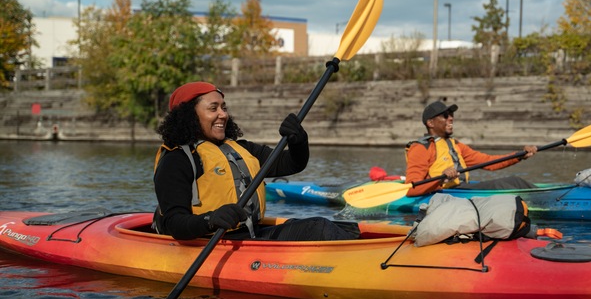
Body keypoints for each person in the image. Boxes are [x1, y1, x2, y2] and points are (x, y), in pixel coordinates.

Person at [153, 81, 357, 241]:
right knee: (318, 228)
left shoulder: (241, 149)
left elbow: (292, 163)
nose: (223, 114)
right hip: (210, 241)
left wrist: (299, 142)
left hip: (250, 234)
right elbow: (174, 223)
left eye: (224, 107)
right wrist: (210, 219)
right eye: (213, 108)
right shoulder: (176, 160)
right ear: (189, 116)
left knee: (344, 226)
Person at [404, 101, 538, 197]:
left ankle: (550, 199)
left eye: (451, 114)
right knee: (503, 185)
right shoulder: (421, 148)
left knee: (515, 181)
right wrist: (441, 179)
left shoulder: (455, 145)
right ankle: (544, 201)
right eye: (445, 115)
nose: (450, 118)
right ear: (430, 123)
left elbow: (489, 162)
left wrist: (520, 155)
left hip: (460, 190)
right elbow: (411, 189)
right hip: (441, 194)